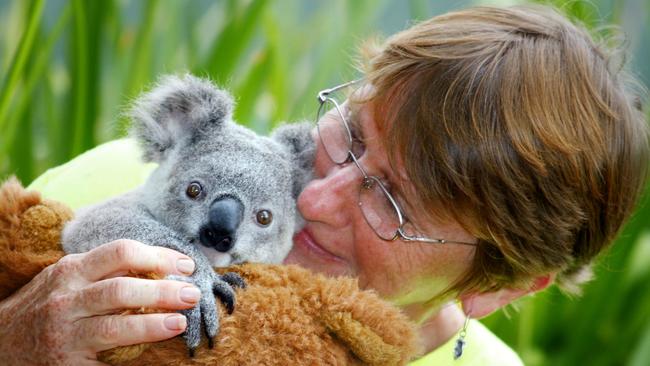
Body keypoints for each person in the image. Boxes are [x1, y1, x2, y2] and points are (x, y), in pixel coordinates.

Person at [0, 4, 647, 365]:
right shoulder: (133, 184)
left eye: (391, 203)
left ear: (496, 286)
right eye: (352, 137)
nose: (313, 199)